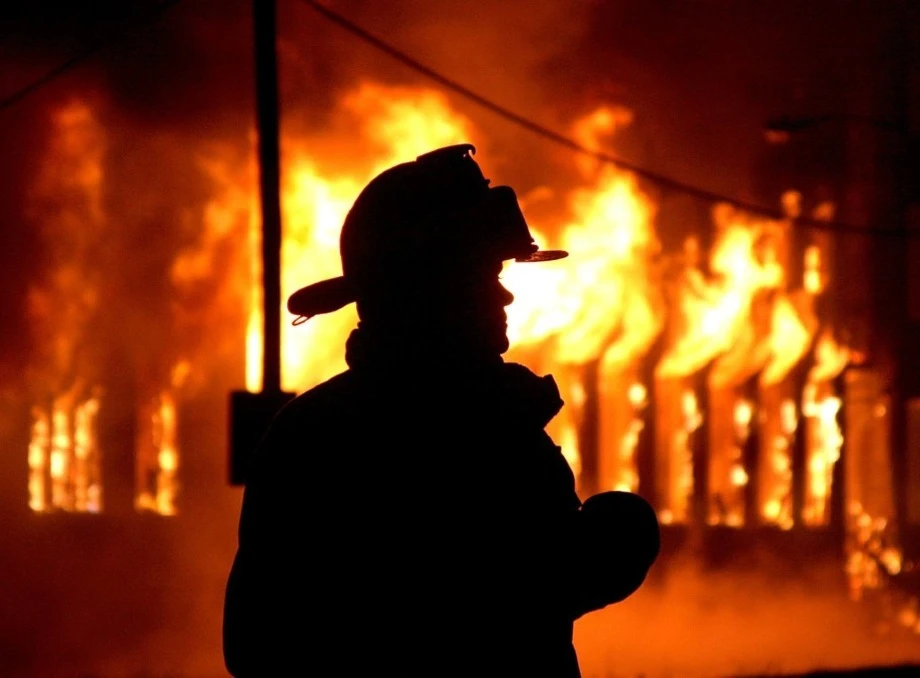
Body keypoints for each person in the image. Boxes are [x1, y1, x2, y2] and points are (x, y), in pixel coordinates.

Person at [223, 144, 660, 677]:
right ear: (426, 290)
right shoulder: (485, 432)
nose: (505, 298)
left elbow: (251, 643)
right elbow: (518, 589)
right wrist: (612, 539)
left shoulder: (309, 429)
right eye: (483, 276)